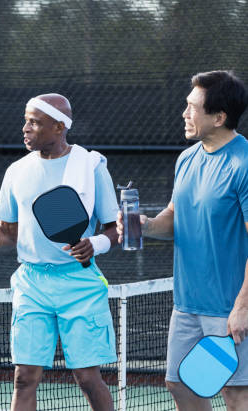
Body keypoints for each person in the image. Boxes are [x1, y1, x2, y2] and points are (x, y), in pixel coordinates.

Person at [0, 93, 119, 411]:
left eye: (35, 122)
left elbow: (116, 228)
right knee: (24, 377)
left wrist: (95, 244)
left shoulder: (91, 166)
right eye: (25, 120)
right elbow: (7, 233)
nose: (26, 128)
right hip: (31, 284)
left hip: (80, 284)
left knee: (87, 378)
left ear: (59, 127)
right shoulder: (17, 171)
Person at [116, 70, 248, 411]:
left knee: (236, 395)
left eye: (192, 107)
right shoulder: (186, 159)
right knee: (179, 383)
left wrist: (242, 306)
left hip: (229, 307)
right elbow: (174, 220)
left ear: (219, 117)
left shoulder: (243, 163)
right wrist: (142, 224)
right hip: (187, 304)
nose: (184, 113)